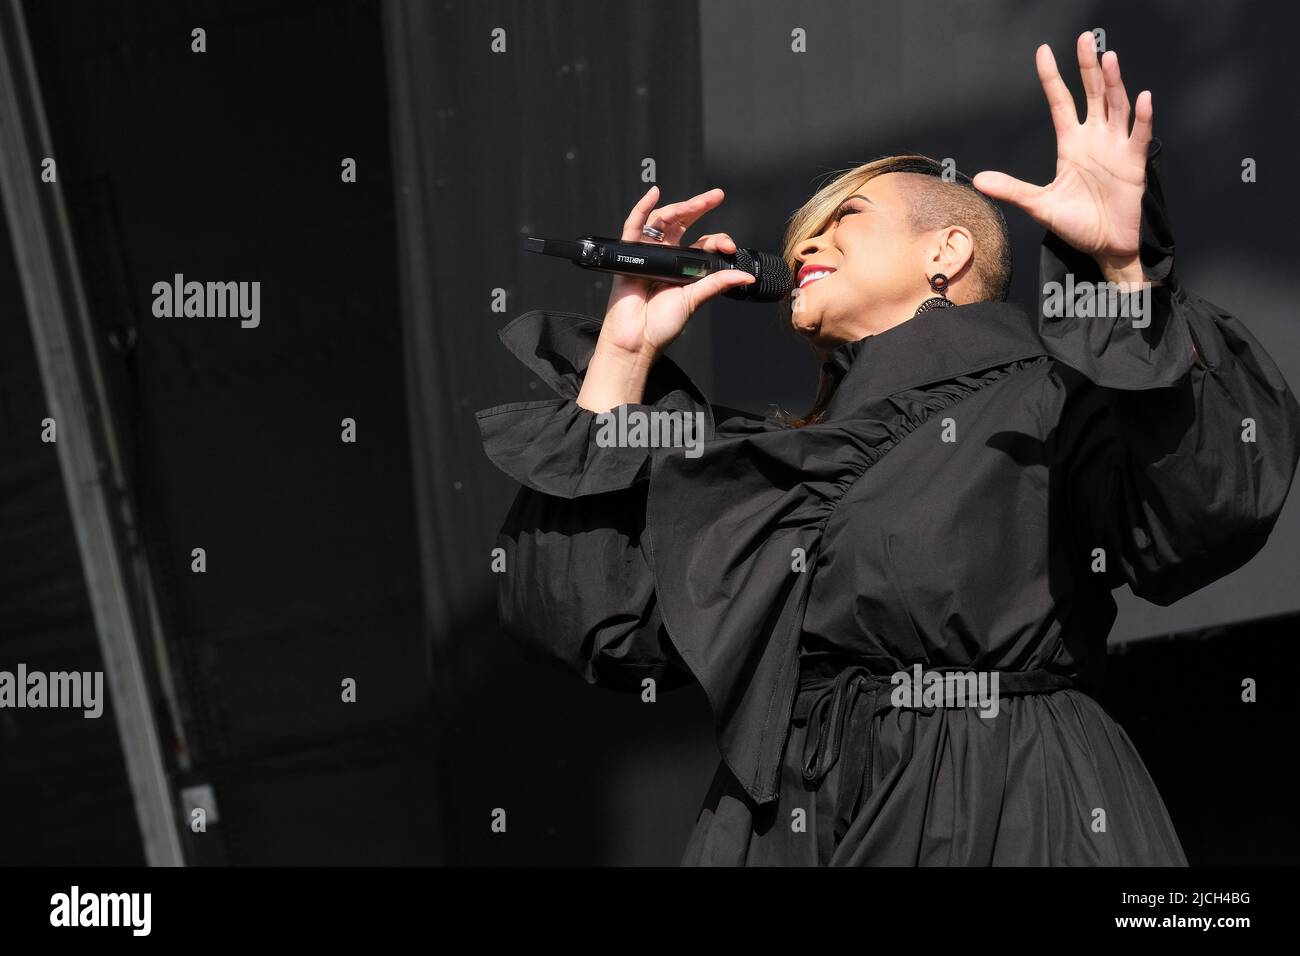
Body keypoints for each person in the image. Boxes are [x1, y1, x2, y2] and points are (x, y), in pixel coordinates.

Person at [476, 33, 1300, 865]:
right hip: (796, 822)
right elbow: (590, 626)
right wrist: (623, 350)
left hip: (1004, 806)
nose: (805, 246)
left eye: (846, 218)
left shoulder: (1045, 398)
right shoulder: (777, 466)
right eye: (803, 233)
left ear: (947, 252)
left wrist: (1125, 274)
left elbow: (1207, 508)